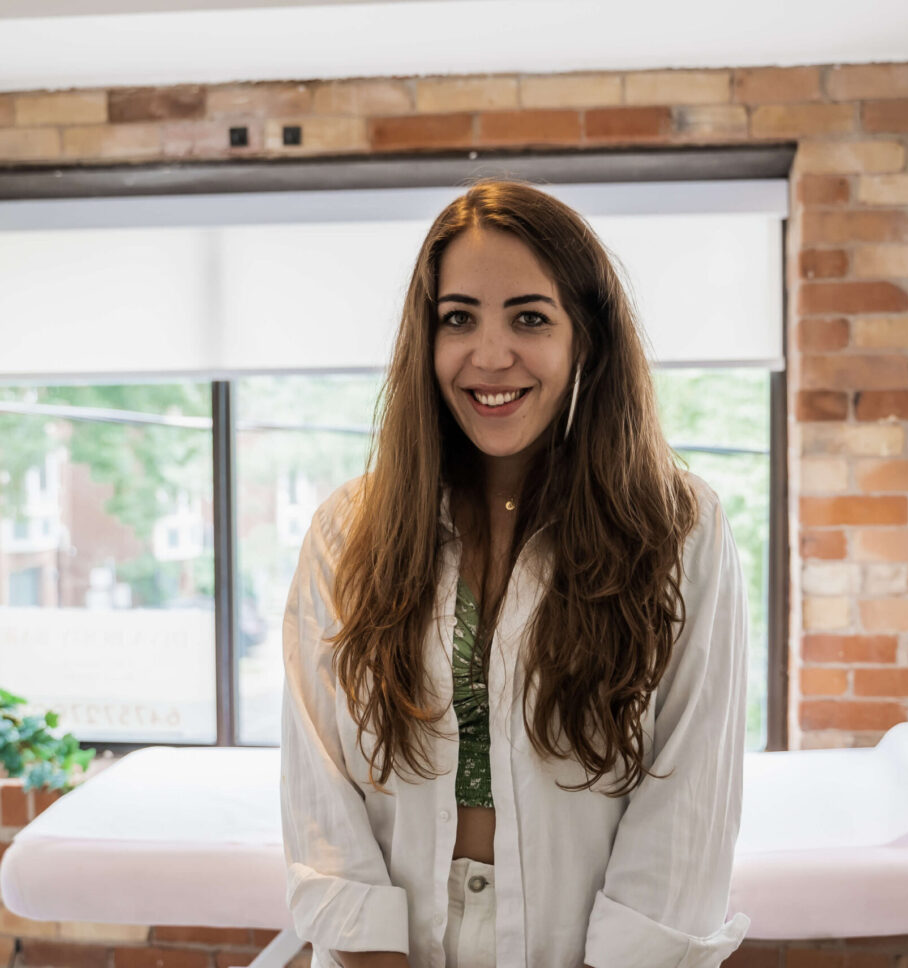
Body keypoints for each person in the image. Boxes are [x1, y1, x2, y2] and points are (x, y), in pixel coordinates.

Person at [280, 178, 751, 968]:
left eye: (529, 317)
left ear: (585, 340)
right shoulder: (348, 530)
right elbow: (318, 780)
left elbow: (688, 797)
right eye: (457, 318)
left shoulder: (680, 528)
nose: (489, 356)